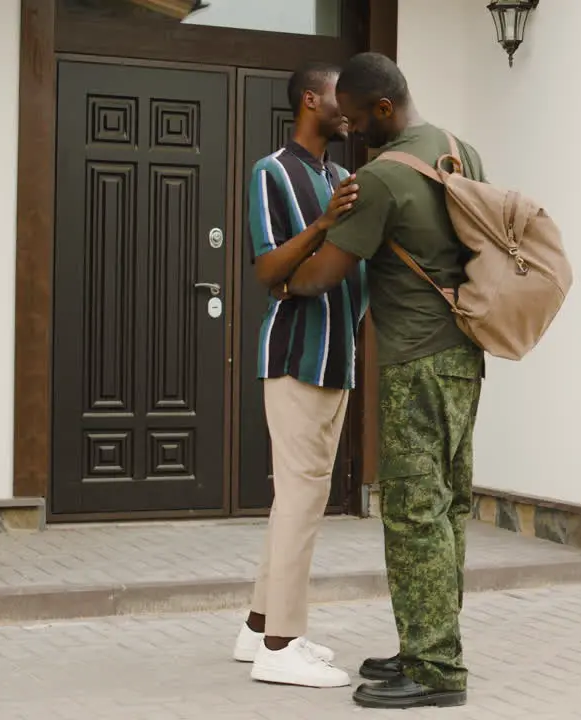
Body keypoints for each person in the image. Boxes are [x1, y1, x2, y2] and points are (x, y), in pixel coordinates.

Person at [283, 51, 485, 710]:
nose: (350, 125)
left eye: (356, 114)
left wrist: (283, 278)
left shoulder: (381, 178)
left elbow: (325, 273)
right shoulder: (461, 152)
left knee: (411, 513)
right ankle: (431, 643)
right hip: (463, 355)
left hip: (415, 361)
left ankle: (433, 670)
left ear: (384, 109)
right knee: (448, 506)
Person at [232, 60, 369, 689]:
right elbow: (266, 271)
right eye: (342, 96)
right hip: (294, 359)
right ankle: (281, 647)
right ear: (312, 100)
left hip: (337, 361)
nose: (352, 107)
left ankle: (259, 627)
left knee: (298, 500)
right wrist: (321, 225)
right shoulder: (271, 172)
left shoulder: (340, 175)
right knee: (301, 504)